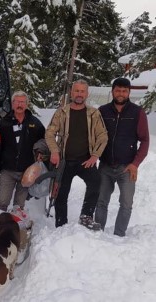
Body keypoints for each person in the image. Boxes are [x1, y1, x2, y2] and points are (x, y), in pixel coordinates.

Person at [45, 79, 108, 230]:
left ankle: (86, 216)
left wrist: (95, 156)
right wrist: (54, 151)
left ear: (87, 94)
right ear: (71, 93)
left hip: (85, 160)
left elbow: (103, 135)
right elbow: (49, 133)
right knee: (61, 193)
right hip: (65, 161)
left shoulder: (93, 113)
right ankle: (61, 225)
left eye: (82, 91)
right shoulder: (62, 112)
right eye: (76, 91)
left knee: (95, 183)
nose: (79, 94)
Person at [95, 78, 149, 237]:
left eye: (124, 91)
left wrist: (135, 164)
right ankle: (98, 233)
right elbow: (94, 136)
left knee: (126, 204)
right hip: (105, 166)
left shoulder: (137, 112)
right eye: (118, 90)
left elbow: (145, 140)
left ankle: (119, 235)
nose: (121, 94)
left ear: (129, 92)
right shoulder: (102, 111)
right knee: (101, 201)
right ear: (112, 91)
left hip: (127, 168)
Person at [0, 91, 45, 212]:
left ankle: (16, 228)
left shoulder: (35, 123)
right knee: (2, 202)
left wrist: (40, 152)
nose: (20, 104)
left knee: (19, 205)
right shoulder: (3, 123)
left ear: (27, 104)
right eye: (17, 101)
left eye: (22, 102)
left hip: (26, 171)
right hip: (7, 169)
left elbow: (44, 140)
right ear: (12, 104)